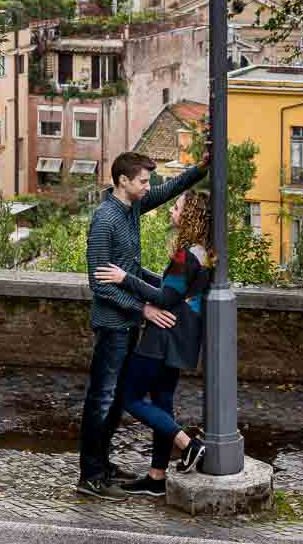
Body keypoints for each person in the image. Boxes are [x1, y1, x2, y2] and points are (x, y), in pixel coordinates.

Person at [77, 151, 209, 501]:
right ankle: (89, 475)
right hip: (112, 325)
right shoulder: (105, 220)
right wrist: (145, 310)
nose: (148, 187)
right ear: (123, 181)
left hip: (130, 322)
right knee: (102, 400)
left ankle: (103, 465)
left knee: (117, 401)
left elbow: (169, 190)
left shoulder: (132, 206)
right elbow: (99, 284)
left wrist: (202, 168)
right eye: (143, 181)